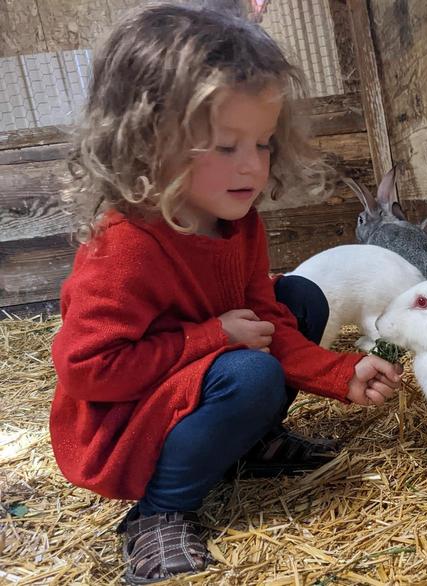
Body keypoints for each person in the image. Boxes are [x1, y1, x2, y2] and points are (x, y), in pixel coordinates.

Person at [49, 4, 402, 583]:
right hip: (124, 424)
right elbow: (91, 370)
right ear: (148, 141)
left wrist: (341, 373)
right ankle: (160, 513)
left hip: (198, 379)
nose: (253, 167)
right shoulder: (125, 245)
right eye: (225, 145)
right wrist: (213, 336)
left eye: (262, 144)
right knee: (250, 373)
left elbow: (266, 322)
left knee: (300, 300)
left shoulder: (238, 224)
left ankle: (248, 444)